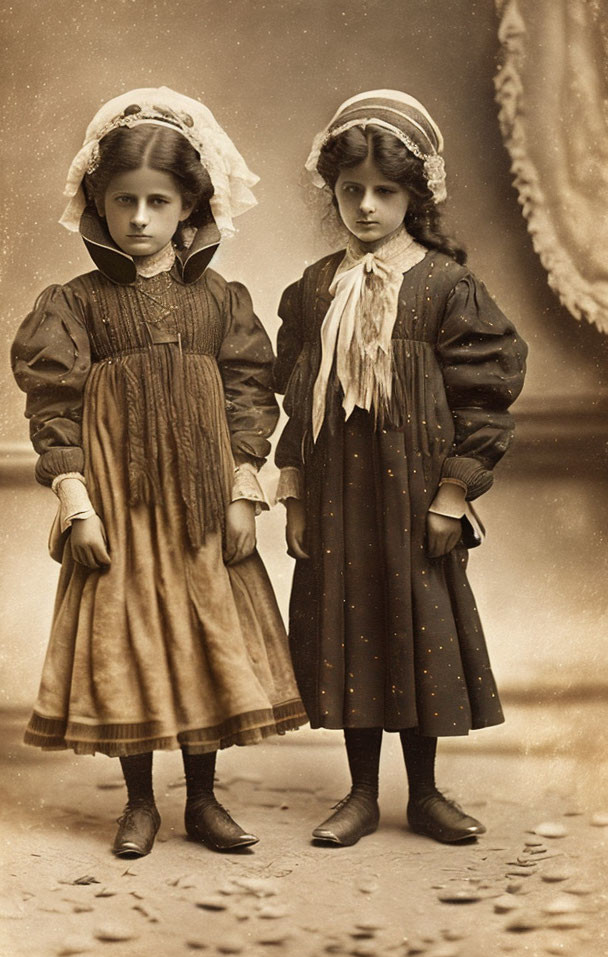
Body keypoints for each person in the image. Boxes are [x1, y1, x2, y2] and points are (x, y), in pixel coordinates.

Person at [11, 86, 307, 859]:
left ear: (190, 208)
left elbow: (250, 391)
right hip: (121, 502)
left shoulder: (219, 301)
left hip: (204, 505)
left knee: (206, 636)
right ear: (96, 205)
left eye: (157, 201)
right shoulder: (73, 305)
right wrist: (77, 502)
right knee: (128, 641)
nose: (139, 218)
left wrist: (245, 489)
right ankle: (139, 803)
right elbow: (53, 404)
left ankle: (204, 799)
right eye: (123, 201)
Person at [273, 90, 527, 847]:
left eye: (386, 191)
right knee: (350, 626)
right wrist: (293, 498)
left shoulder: (446, 286)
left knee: (417, 627)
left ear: (417, 194)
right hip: (339, 495)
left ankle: (423, 794)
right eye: (351, 191)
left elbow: (485, 398)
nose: (366, 206)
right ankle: (357, 795)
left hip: (416, 495)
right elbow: (294, 397)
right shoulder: (316, 288)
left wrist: (453, 494)